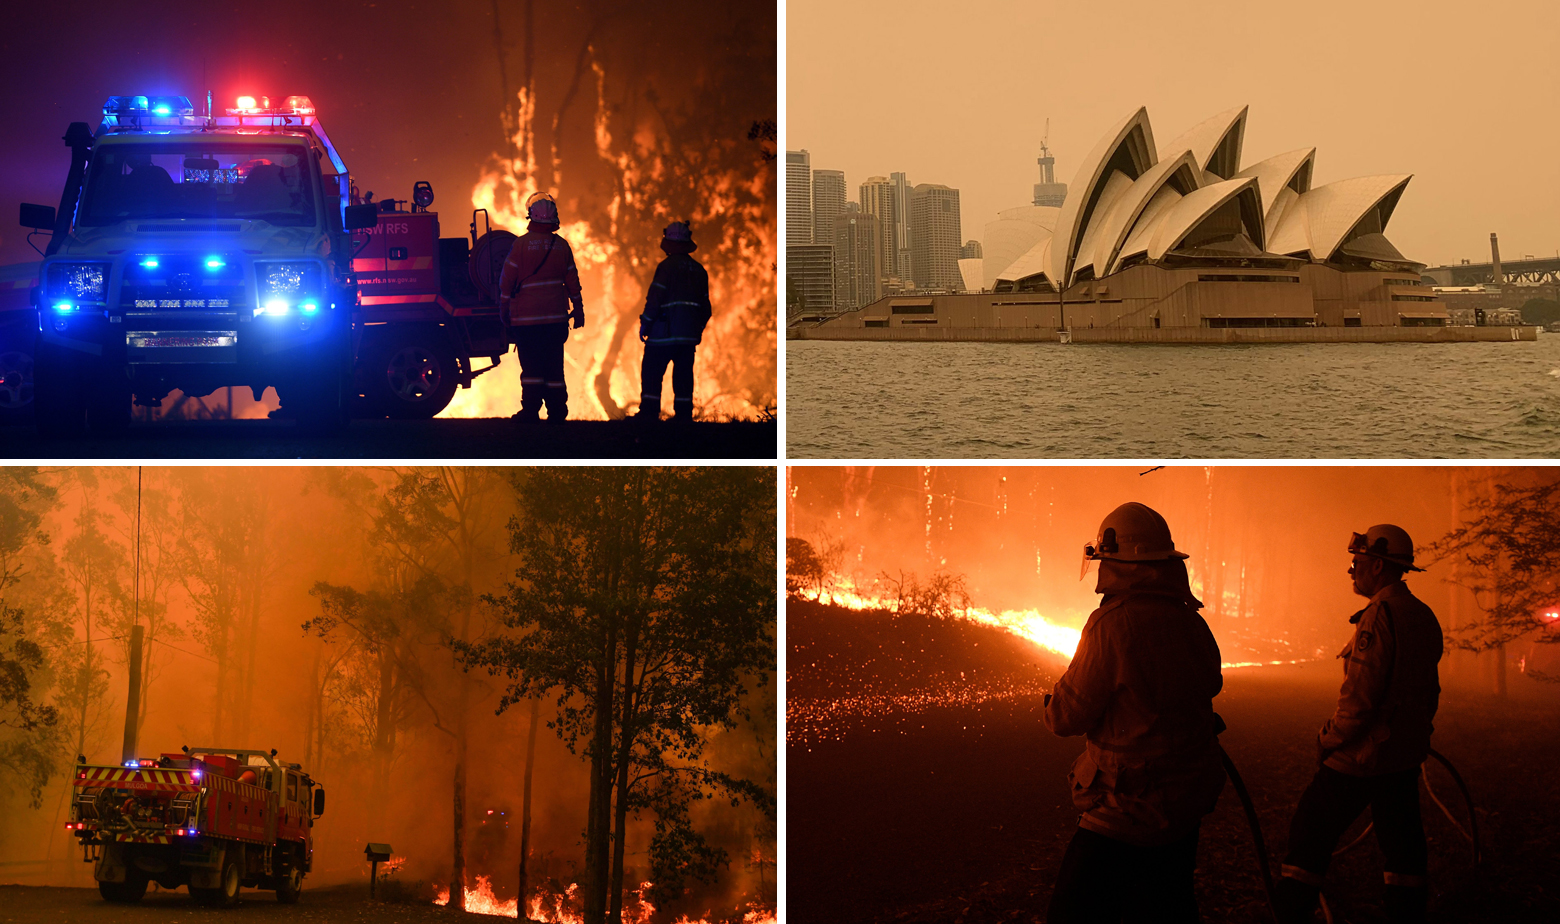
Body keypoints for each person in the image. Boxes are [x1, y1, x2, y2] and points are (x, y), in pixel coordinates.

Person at [1045, 502, 1226, 924]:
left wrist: (1053, 698)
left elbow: (1065, 718)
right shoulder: (1192, 624)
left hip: (1123, 812)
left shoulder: (1110, 625)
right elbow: (1209, 686)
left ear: (1115, 561)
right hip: (1181, 810)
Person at [1273, 525, 1443, 924]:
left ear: (1379, 566)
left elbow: (1360, 698)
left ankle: (1290, 912)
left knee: (1310, 831)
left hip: (1362, 756)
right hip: (1402, 756)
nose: (1352, 571)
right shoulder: (1420, 613)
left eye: (1358, 563)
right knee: (1403, 847)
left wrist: (1329, 739)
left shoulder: (1379, 616)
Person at [498, 192, 583, 423]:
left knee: (532, 370)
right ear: (554, 218)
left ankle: (531, 411)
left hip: (527, 322)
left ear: (531, 217)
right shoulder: (562, 246)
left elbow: (506, 279)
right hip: (556, 321)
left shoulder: (521, 245)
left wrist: (504, 308)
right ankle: (557, 412)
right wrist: (578, 308)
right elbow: (572, 280)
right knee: (554, 368)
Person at [635, 221, 711, 422]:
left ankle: (649, 414)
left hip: (663, 334)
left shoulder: (666, 267)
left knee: (651, 371)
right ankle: (684, 416)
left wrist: (646, 323)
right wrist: (696, 330)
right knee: (684, 376)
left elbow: (655, 299)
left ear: (667, 242)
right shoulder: (699, 270)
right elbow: (706, 308)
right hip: (687, 337)